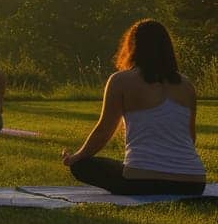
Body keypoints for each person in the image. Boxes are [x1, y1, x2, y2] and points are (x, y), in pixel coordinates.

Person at [62, 20, 207, 195]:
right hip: (193, 183)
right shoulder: (186, 85)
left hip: (142, 182)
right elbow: (190, 137)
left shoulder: (120, 80)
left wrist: (76, 158)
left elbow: (104, 131)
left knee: (82, 166)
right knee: (126, 168)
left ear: (132, 47)